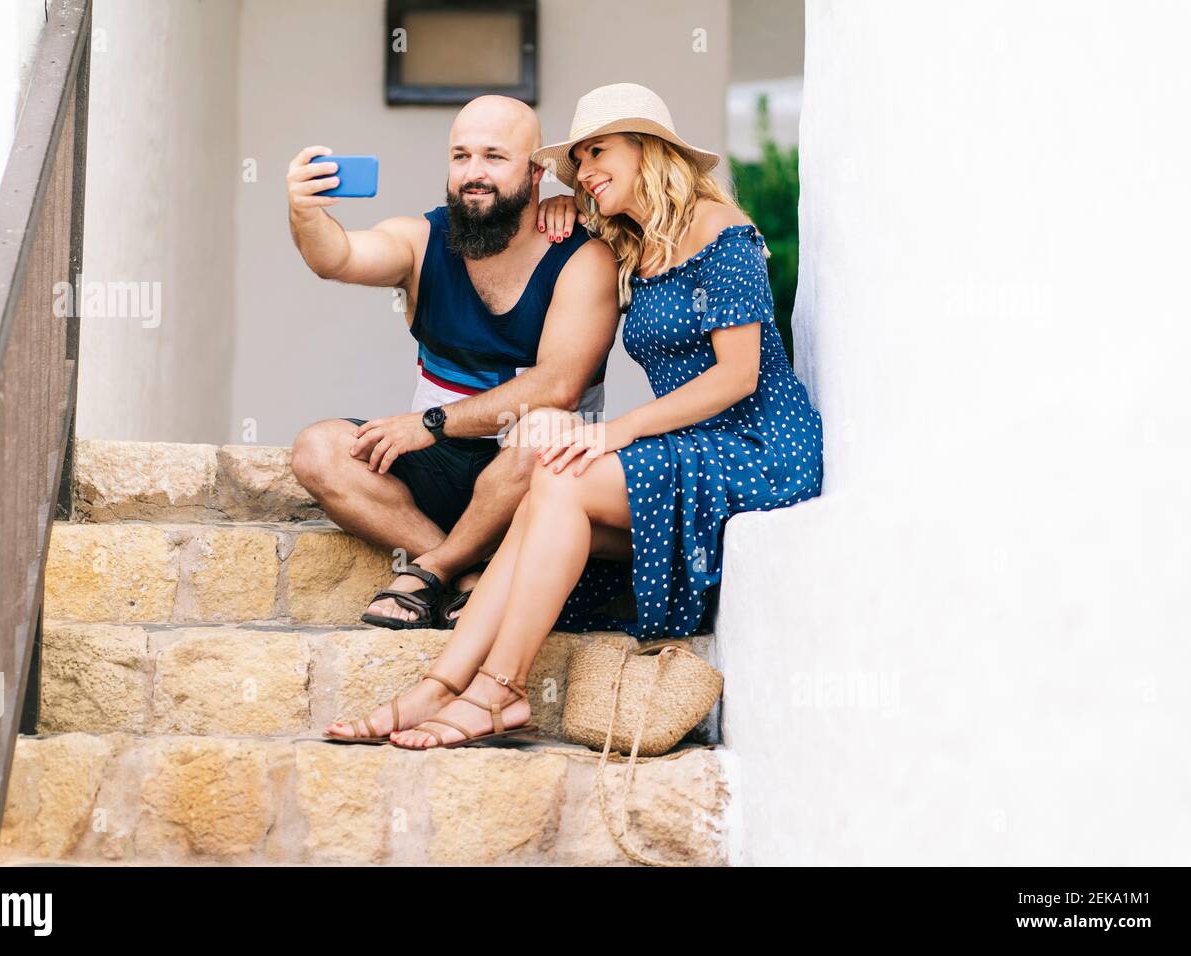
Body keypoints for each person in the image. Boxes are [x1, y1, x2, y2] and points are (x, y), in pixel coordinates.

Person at [326, 82, 824, 748]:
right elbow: (547, 228)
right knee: (547, 486)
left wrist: (611, 432)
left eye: (598, 153)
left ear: (649, 151)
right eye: (577, 162)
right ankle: (436, 688)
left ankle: (500, 689)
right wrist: (559, 207)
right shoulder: (632, 244)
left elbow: (737, 378)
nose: (585, 172)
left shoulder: (723, 233)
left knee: (560, 472)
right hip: (686, 450)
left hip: (758, 449)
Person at [287, 95, 618, 636]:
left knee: (547, 429)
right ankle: (465, 571)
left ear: (536, 172)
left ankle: (430, 571)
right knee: (317, 449)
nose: (473, 173)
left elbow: (557, 386)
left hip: (526, 482)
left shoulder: (583, 258)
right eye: (460, 156)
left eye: (494, 157)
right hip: (438, 469)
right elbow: (339, 257)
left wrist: (428, 423)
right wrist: (305, 212)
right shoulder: (421, 240)